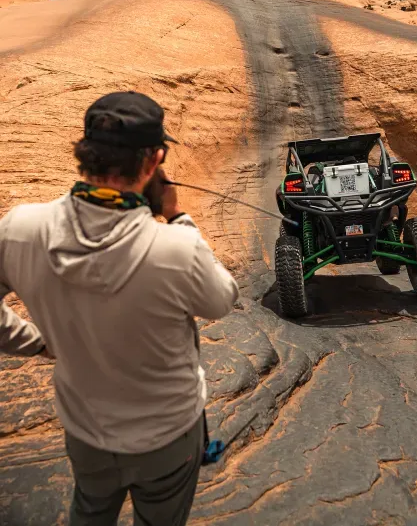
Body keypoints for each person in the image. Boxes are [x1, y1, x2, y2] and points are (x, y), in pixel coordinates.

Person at [0, 91, 239, 526]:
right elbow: (222, 299)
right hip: (168, 436)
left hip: (86, 432)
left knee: (89, 511)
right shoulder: (177, 249)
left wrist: (37, 343)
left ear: (85, 154)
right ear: (154, 162)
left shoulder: (20, 229)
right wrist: (177, 216)